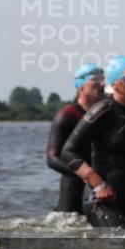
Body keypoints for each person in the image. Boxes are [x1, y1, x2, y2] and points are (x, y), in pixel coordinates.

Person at [61, 56, 125, 231]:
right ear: (115, 83)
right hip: (103, 200)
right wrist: (98, 184)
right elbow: (68, 152)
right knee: (124, 248)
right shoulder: (102, 111)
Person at [45, 63, 106, 213]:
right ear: (81, 86)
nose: (102, 84)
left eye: (103, 79)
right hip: (74, 186)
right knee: (72, 227)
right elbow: (52, 158)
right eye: (96, 80)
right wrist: (87, 175)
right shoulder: (67, 114)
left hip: (102, 185)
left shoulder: (106, 112)